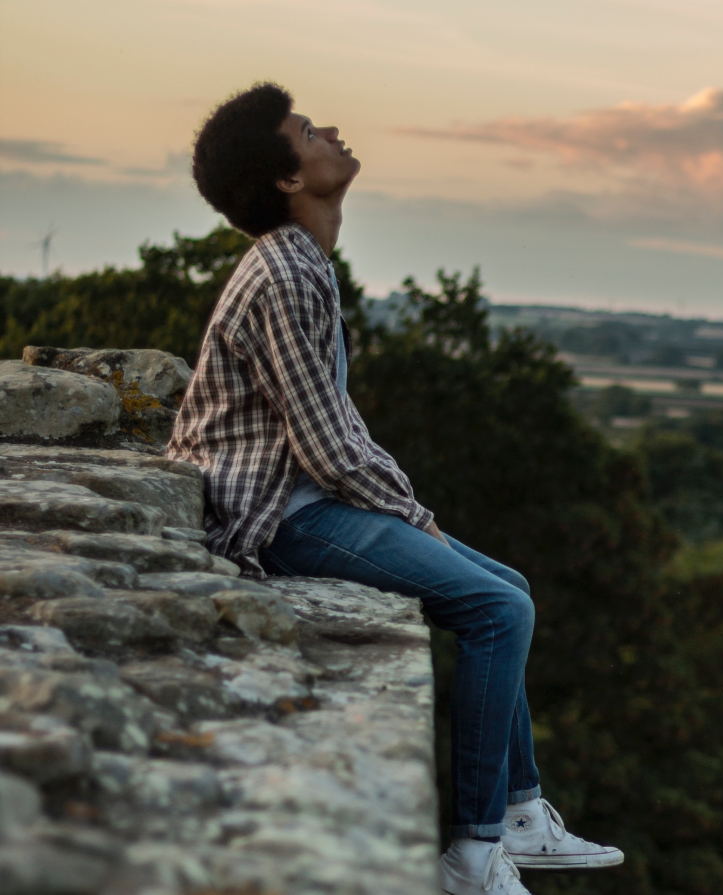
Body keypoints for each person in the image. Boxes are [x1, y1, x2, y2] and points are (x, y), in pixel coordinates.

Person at [166, 82, 622, 895]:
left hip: (302, 497)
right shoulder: (284, 275)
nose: (331, 131)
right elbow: (325, 444)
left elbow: (332, 424)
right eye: (309, 131)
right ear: (287, 178)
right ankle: (473, 853)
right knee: (498, 610)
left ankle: (521, 810)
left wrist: (413, 512)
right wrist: (415, 514)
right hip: (274, 518)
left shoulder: (304, 262)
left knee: (510, 587)